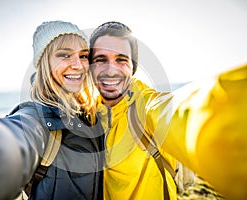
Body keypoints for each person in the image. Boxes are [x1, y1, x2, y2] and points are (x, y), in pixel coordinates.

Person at [89, 21, 247, 200]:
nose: (111, 70)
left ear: (133, 67)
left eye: (121, 59)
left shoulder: (146, 106)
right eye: (100, 60)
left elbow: (179, 112)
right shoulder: (90, 112)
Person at [0, 20, 104, 200]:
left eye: (83, 56)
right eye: (64, 55)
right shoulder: (37, 116)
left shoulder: (92, 114)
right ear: (45, 64)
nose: (78, 65)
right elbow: (14, 140)